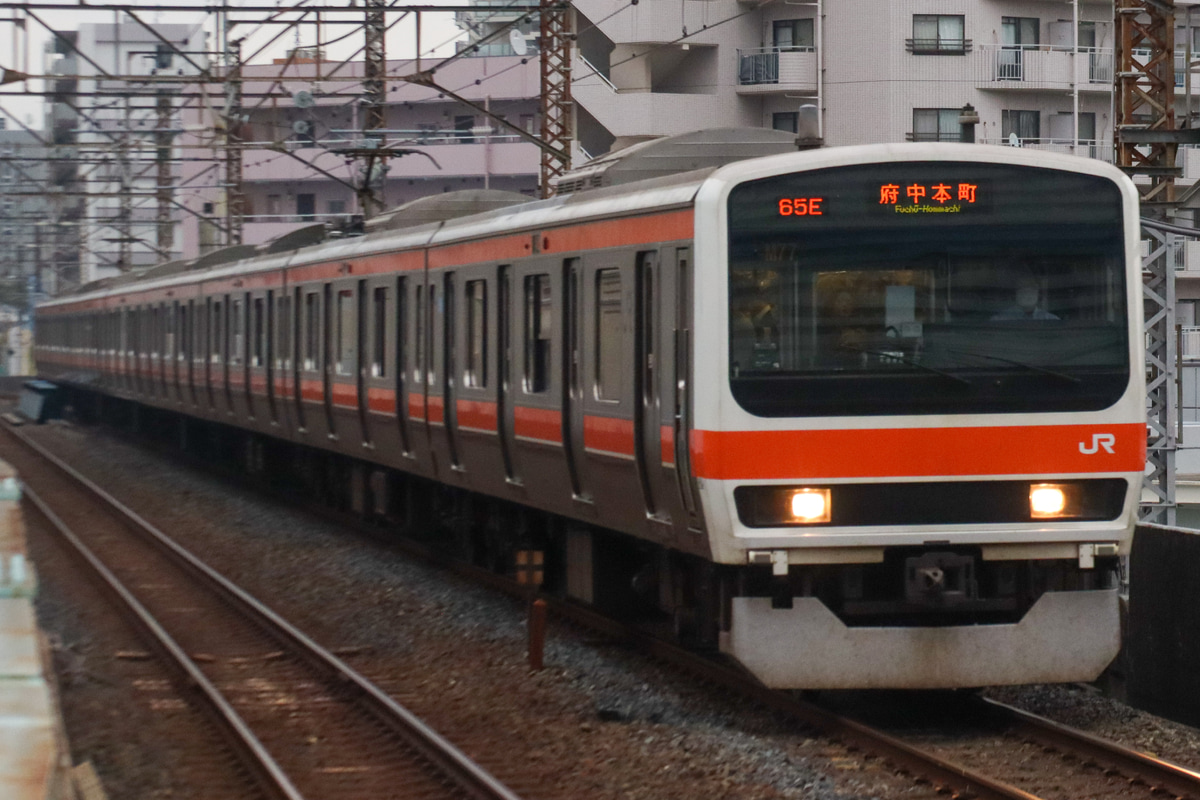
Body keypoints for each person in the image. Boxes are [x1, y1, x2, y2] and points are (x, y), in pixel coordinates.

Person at [991, 277, 1059, 320]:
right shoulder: (1000, 320)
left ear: (1038, 292)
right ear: (1015, 293)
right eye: (1023, 289)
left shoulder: (1052, 320)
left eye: (1032, 288)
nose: (1027, 293)